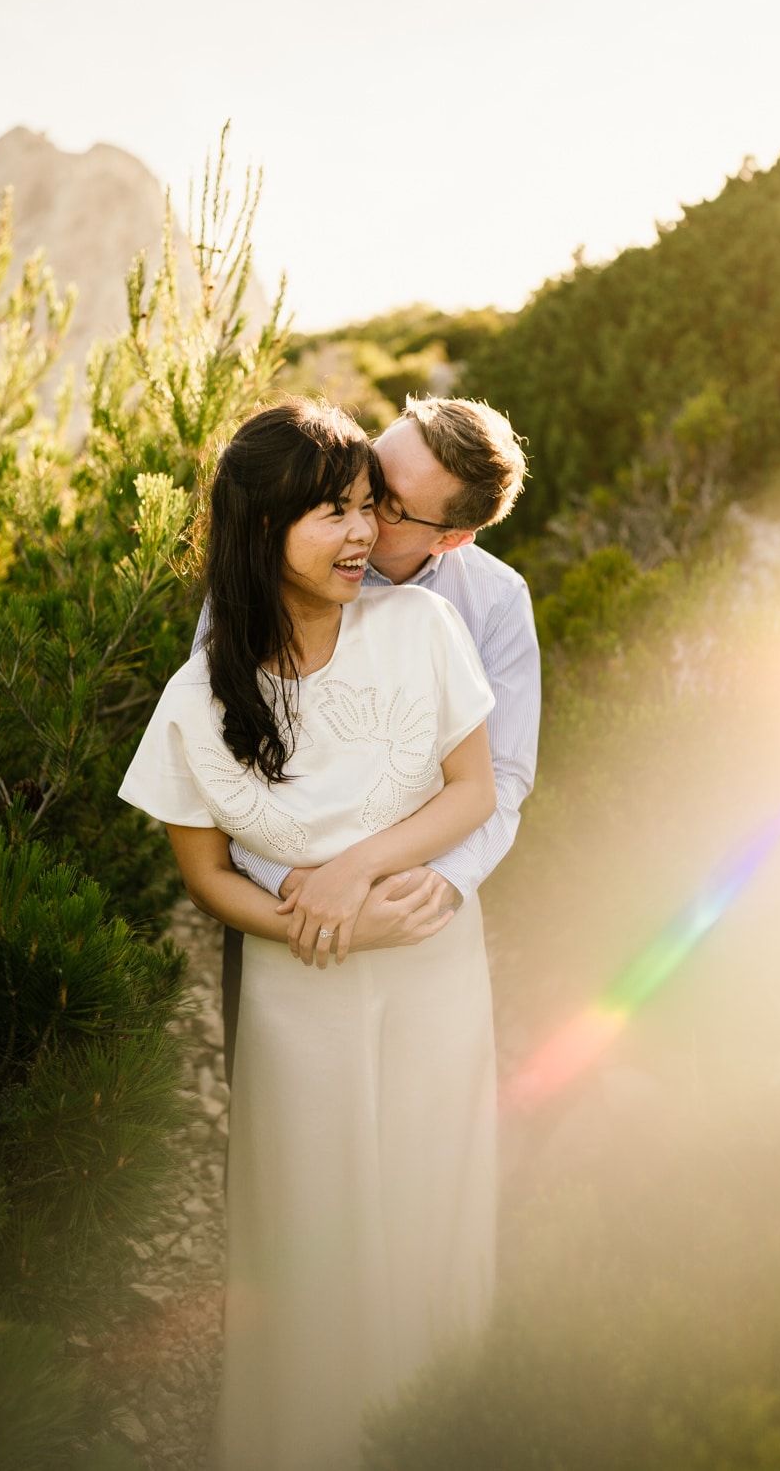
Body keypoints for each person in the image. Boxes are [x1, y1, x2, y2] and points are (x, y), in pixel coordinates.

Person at [119, 399, 500, 1471]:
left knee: (432, 1203)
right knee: (312, 1230)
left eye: (361, 508)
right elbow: (201, 875)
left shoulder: (421, 630)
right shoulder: (196, 698)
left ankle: (446, 1433)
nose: (358, 536)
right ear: (258, 528)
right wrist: (319, 922)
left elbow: (472, 792)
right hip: (300, 989)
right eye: (327, 513)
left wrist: (348, 878)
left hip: (430, 963)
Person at [217, 394, 542, 1081]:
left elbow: (504, 774)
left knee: (422, 1133)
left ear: (451, 537)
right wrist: (296, 888)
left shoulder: (495, 602)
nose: (360, 507)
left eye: (388, 505)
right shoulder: (269, 566)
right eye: (368, 467)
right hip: (284, 910)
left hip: (417, 914)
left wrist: (441, 883)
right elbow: (222, 750)